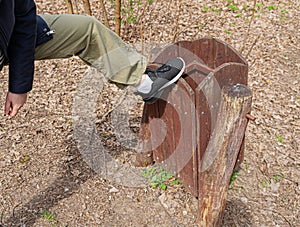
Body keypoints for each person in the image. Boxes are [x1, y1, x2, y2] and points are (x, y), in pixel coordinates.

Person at [0, 0, 185, 117]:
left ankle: (145, 84)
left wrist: (19, 86)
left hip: (10, 35)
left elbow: (23, 15)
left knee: (85, 30)